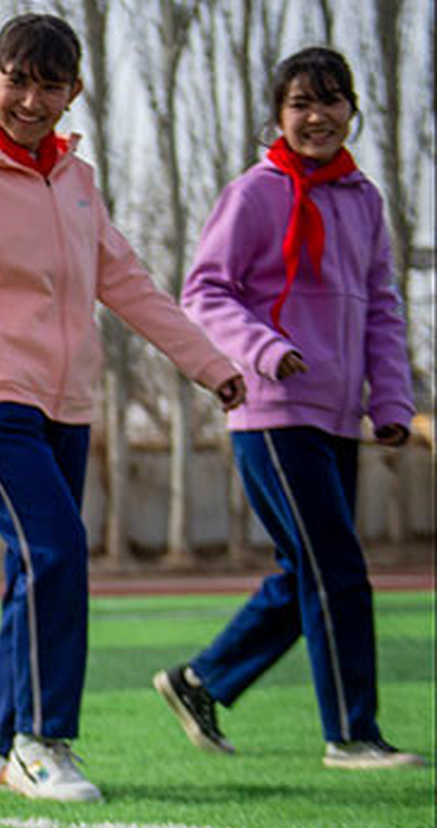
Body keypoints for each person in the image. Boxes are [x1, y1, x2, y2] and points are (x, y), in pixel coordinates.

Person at [0, 12, 246, 803]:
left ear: (71, 92)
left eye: (49, 85)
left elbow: (126, 283)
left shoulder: (74, 181)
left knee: (32, 567)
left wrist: (210, 365)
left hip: (66, 404)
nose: (29, 99)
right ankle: (41, 741)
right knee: (56, 553)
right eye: (16, 79)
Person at [155, 47, 424, 769]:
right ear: (278, 115)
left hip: (337, 416)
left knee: (306, 568)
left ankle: (199, 679)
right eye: (300, 103)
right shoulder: (253, 193)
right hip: (271, 410)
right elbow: (205, 292)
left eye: (330, 101)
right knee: (336, 567)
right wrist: (266, 350)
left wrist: (390, 398)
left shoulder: (362, 201)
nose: (316, 117)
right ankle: (351, 735)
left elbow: (380, 309)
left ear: (350, 111)